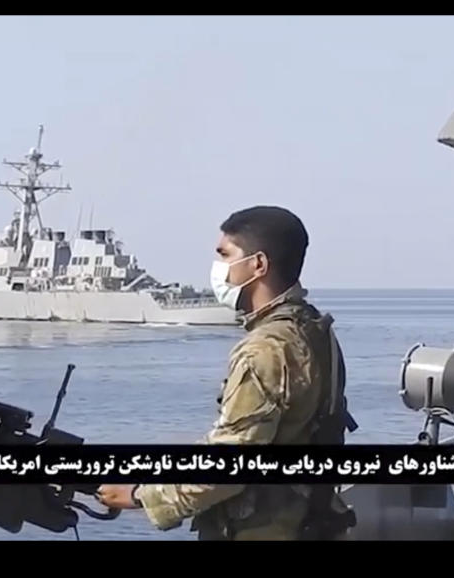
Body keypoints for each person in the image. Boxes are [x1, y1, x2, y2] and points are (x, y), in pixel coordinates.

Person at [96, 205, 357, 540]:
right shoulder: (315, 331)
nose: (219, 269)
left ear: (257, 264)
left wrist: (140, 496)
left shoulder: (264, 349)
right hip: (311, 520)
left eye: (225, 255)